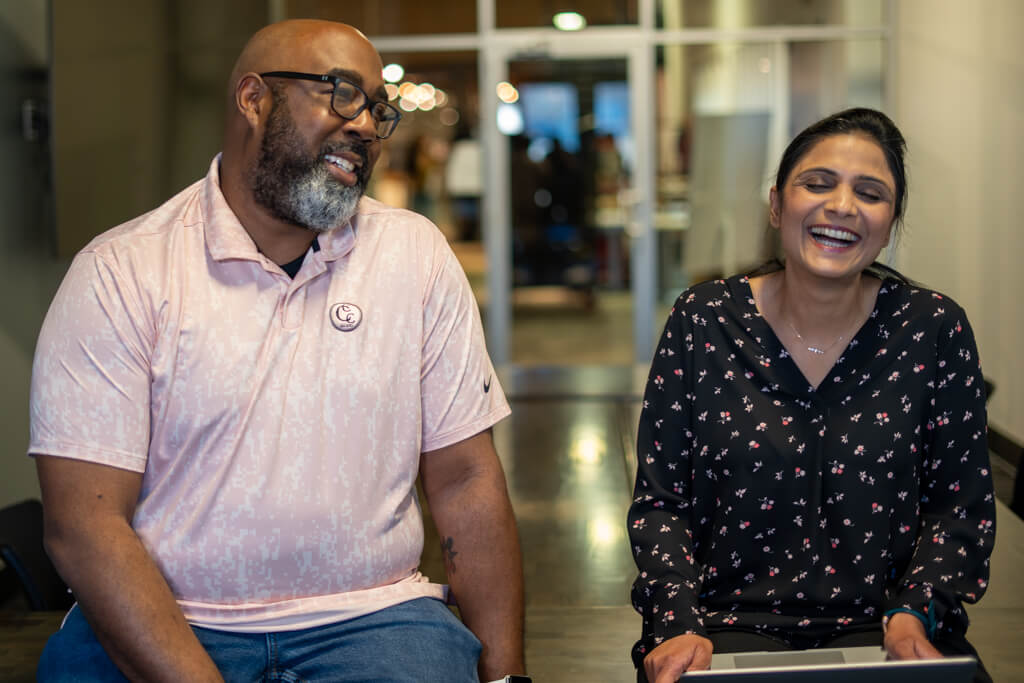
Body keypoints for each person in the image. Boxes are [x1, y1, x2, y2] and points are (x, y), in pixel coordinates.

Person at [29, 19, 526, 683]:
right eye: (342, 93)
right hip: (168, 614)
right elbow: (83, 526)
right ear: (253, 98)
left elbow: (465, 479)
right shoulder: (122, 272)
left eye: (378, 109)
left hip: (376, 618)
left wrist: (508, 676)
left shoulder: (415, 257)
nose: (367, 126)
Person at [628, 108, 995, 683]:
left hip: (889, 629)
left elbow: (960, 508)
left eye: (870, 193)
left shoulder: (932, 328)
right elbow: (661, 503)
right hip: (722, 627)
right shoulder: (702, 320)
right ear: (776, 205)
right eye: (817, 183)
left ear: (890, 222)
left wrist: (916, 611)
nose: (842, 206)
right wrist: (676, 622)